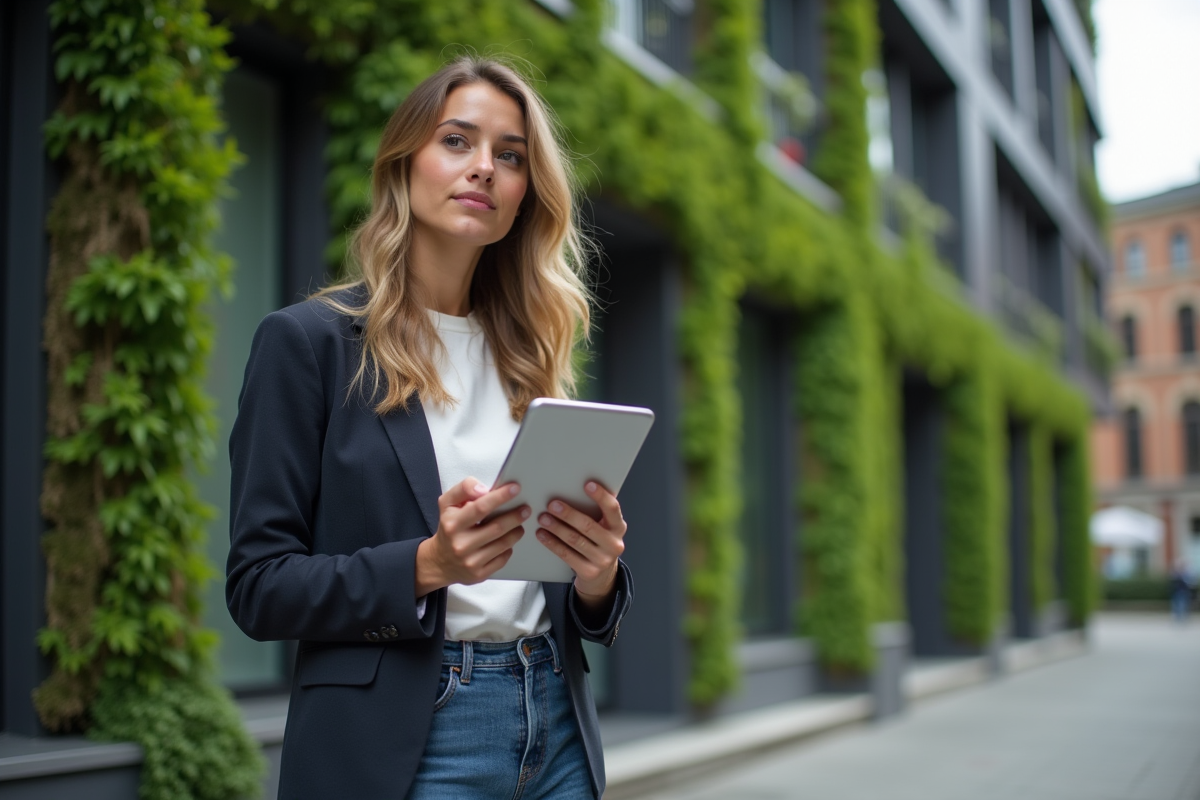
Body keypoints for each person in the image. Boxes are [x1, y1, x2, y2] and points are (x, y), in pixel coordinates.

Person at [225, 56, 633, 800]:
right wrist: (425, 565)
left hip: (557, 724)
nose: (483, 168)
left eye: (509, 156)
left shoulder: (531, 353)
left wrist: (596, 574)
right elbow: (257, 587)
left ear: (522, 196)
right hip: (410, 740)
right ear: (403, 163)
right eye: (457, 141)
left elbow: (560, 594)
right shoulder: (309, 344)